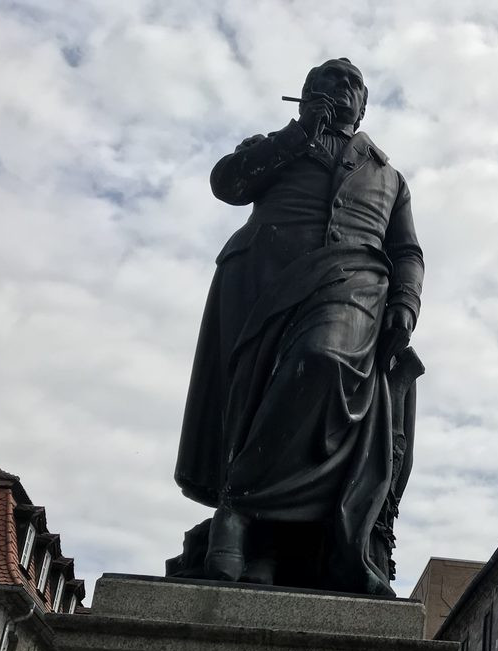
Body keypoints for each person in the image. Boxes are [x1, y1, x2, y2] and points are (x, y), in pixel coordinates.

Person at [172, 58, 424, 596]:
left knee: (322, 361)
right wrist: (297, 133)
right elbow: (227, 184)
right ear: (304, 97)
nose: (336, 92)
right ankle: (264, 542)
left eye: (348, 87)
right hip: (261, 284)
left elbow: (407, 251)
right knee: (251, 409)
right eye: (321, 85)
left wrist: (405, 302)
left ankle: (239, 510)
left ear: (363, 106)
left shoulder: (389, 176)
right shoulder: (279, 144)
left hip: (352, 285)